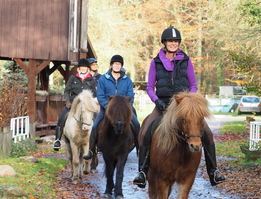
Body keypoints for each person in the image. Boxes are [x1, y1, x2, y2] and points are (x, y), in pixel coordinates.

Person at [132, 26, 226, 188]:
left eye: (176, 41)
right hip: (163, 104)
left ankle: (214, 171)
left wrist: (190, 99)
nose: (173, 44)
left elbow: (193, 85)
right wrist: (157, 101)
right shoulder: (155, 62)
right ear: (165, 43)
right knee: (146, 131)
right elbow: (149, 87)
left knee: (208, 133)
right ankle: (142, 171)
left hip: (184, 106)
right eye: (170, 41)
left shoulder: (186, 60)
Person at [83, 55, 140, 160]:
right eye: (115, 64)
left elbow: (130, 95)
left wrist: (126, 107)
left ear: (121, 66)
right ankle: (91, 150)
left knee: (136, 124)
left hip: (124, 109)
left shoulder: (127, 79)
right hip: (107, 109)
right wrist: (108, 106)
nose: (117, 66)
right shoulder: (104, 79)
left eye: (119, 64)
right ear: (111, 65)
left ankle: (139, 148)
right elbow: (100, 95)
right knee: (95, 126)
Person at [53, 58, 97, 151]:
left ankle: (96, 142)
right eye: (82, 67)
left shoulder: (92, 80)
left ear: (88, 68)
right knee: (62, 117)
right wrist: (67, 101)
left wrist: (92, 104)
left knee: (97, 118)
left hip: (87, 106)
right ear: (79, 68)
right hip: (73, 104)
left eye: (85, 67)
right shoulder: (73, 78)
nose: (83, 68)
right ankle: (57, 140)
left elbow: (95, 94)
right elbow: (67, 91)